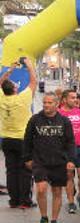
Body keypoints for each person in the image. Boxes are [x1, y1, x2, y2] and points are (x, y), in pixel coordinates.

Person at [23, 94, 75, 223]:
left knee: (57, 191)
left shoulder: (64, 121)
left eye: (50, 102)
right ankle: (43, 218)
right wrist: (27, 158)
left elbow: (70, 142)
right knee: (41, 189)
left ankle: (54, 221)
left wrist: (71, 160)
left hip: (59, 161)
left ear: (57, 104)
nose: (46, 105)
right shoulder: (35, 119)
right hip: (40, 161)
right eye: (45, 102)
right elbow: (27, 139)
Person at [0, 57, 37, 208]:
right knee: (25, 171)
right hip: (22, 140)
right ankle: (25, 201)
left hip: (7, 140)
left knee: (11, 170)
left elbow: (1, 82)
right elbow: (33, 82)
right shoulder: (22, 99)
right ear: (15, 89)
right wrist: (28, 65)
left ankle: (13, 200)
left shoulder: (1, 99)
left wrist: (9, 70)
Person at [59, 89, 80, 213]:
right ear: (64, 100)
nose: (75, 100)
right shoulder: (59, 114)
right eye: (72, 97)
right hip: (66, 150)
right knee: (69, 176)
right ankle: (71, 202)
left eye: (75, 97)